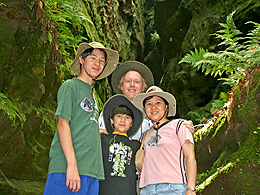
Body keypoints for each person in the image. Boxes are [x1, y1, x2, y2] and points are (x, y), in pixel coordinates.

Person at [44, 42, 119, 195]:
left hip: (91, 172)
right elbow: (62, 124)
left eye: (102, 61)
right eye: (93, 58)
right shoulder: (70, 86)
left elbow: (80, 121)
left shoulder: (92, 95)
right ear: (81, 59)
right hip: (68, 169)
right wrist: (71, 166)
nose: (97, 64)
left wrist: (95, 130)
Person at [133, 86, 197, 195]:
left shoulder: (179, 125)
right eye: (149, 104)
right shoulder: (145, 135)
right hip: (147, 190)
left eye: (158, 103)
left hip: (173, 187)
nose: (153, 107)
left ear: (166, 106)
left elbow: (190, 157)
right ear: (145, 109)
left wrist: (191, 188)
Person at [99, 94, 143, 195]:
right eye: (119, 116)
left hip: (128, 190)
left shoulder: (136, 145)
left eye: (127, 117)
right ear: (112, 120)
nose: (123, 120)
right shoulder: (102, 139)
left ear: (132, 123)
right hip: (105, 190)